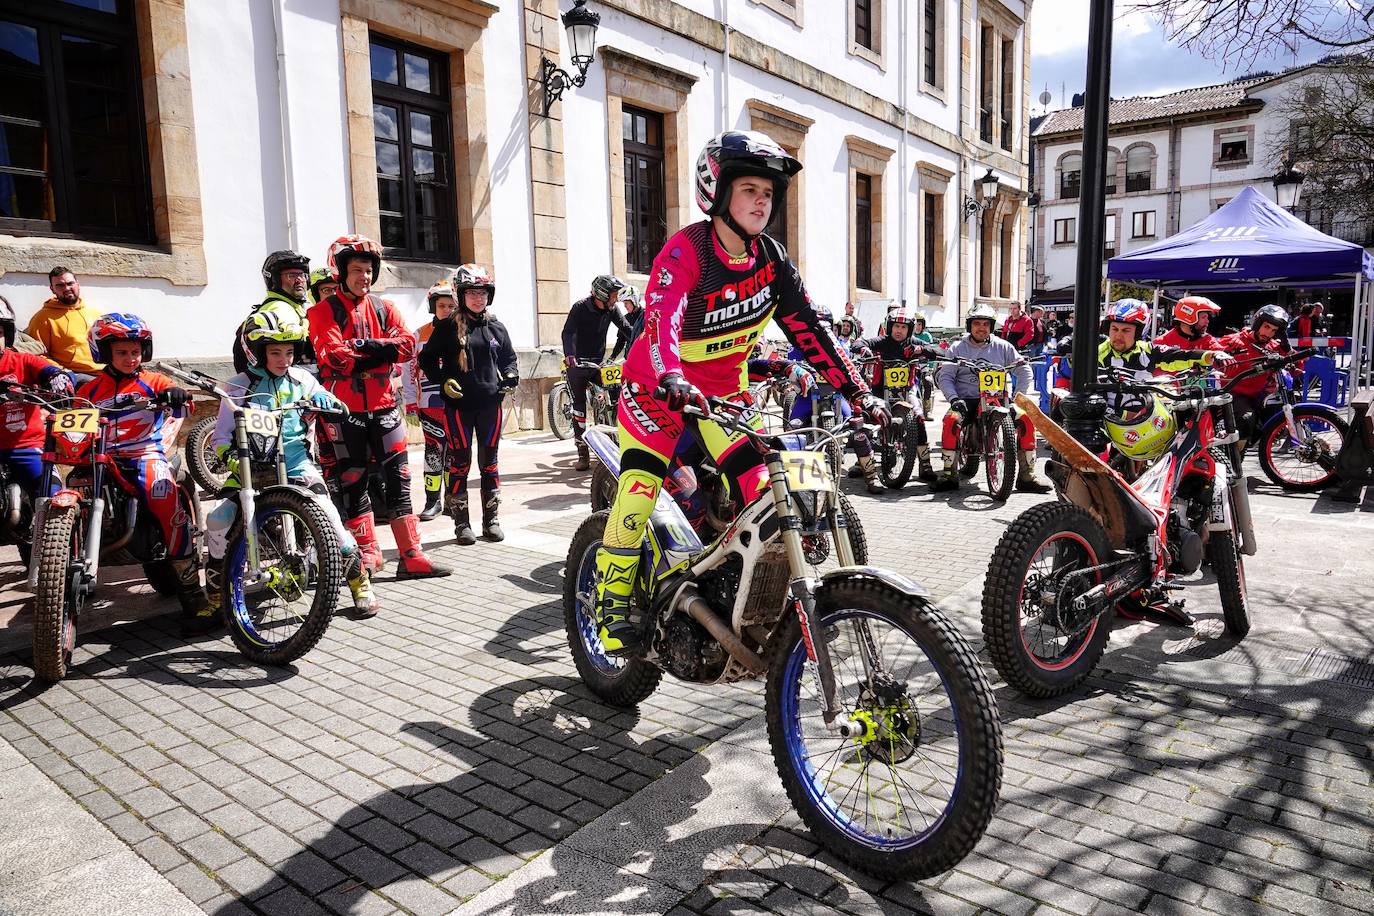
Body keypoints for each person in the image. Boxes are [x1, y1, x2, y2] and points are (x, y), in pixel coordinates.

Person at [593, 130, 887, 654]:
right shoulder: (687, 251)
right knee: (640, 490)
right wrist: (672, 377)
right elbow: (661, 324)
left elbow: (810, 332)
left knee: (764, 492)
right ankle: (611, 603)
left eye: (768, 193)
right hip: (657, 391)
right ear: (718, 191)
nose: (761, 201)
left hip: (725, 397)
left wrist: (859, 392)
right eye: (750, 188)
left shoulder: (771, 260)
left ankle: (749, 595)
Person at [200, 312, 378, 630]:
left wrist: (328, 401)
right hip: (248, 470)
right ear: (256, 351)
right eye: (275, 352)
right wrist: (230, 460)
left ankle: (359, 581)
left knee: (331, 519)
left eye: (290, 352)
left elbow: (322, 395)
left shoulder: (302, 380)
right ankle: (215, 595)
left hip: (296, 465)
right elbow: (220, 437)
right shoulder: (237, 387)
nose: (284, 359)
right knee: (216, 520)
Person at [307, 234, 450, 579]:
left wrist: (364, 345)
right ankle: (369, 554)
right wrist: (381, 351)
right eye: (357, 270)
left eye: (369, 271)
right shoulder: (322, 311)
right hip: (344, 413)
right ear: (340, 272)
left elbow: (406, 348)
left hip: (386, 407)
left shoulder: (385, 308)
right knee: (354, 482)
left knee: (399, 480)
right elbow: (334, 357)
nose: (365, 277)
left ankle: (412, 555)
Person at [77, 314, 206, 625]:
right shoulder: (91, 389)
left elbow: (182, 404)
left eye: (135, 352)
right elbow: (75, 419)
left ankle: (194, 597)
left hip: (144, 452)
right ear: (103, 352)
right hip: (101, 455)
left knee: (161, 491)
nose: (130, 358)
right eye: (121, 352)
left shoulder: (153, 381)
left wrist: (177, 395)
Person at [417, 264, 518, 545]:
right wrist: (443, 379)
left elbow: (509, 358)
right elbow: (425, 360)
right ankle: (462, 524)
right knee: (460, 464)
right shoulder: (448, 327)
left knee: (490, 464)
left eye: (483, 293)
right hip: (459, 408)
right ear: (462, 295)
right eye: (472, 293)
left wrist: (511, 375)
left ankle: (491, 520)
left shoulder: (496, 326)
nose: (478, 298)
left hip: (490, 407)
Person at [933, 304, 1048, 493]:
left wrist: (1017, 397)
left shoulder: (1003, 346)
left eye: (986, 324)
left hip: (999, 400)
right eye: (977, 323)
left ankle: (1027, 476)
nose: (981, 328)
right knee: (951, 420)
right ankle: (948, 475)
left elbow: (1024, 370)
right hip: (966, 400)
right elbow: (945, 376)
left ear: (991, 327)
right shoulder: (957, 347)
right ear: (969, 326)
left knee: (1026, 420)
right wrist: (954, 399)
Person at [785, 305, 883, 493]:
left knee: (858, 428)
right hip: (807, 397)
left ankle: (871, 476)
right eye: (816, 323)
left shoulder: (840, 346)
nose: (819, 328)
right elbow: (788, 362)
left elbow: (852, 358)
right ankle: (794, 480)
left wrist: (862, 355)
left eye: (825, 324)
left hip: (838, 396)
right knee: (791, 429)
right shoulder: (799, 345)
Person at [0, 297, 74, 498]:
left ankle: (49, 528)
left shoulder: (22, 360)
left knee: (53, 493)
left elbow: (46, 369)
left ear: (6, 335)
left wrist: (57, 377)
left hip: (27, 446)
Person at [854, 307, 937, 481]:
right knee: (867, 416)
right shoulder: (882, 341)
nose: (899, 331)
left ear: (909, 329)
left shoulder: (914, 342)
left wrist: (921, 351)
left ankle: (925, 463)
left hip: (907, 388)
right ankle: (861, 461)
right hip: (879, 388)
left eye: (903, 327)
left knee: (919, 416)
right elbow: (858, 343)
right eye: (896, 326)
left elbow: (938, 350)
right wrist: (864, 350)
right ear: (890, 326)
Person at [560, 274, 633, 470]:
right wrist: (570, 355)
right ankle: (582, 452)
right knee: (579, 406)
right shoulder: (580, 307)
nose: (616, 299)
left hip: (599, 363)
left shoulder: (612, 309)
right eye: (613, 295)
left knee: (618, 393)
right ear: (601, 294)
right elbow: (567, 332)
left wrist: (642, 342)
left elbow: (626, 329)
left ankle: (618, 437)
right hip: (579, 364)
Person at [403, 279, 455, 521]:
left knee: (455, 454)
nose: (447, 310)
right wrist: (410, 402)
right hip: (430, 403)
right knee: (433, 452)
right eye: (442, 305)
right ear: (433, 306)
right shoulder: (420, 335)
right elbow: (408, 369)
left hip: (457, 403)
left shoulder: (463, 330)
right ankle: (432, 501)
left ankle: (453, 500)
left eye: (451, 306)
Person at [1217, 304, 1292, 454]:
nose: (1269, 333)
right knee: (1246, 419)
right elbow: (1211, 353)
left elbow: (1296, 365)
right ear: (1257, 324)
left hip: (1260, 397)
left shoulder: (1274, 346)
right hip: (1234, 395)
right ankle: (1231, 460)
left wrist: (1285, 345)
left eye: (1274, 330)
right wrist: (1226, 350)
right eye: (1266, 326)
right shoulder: (1234, 340)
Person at [234, 251, 314, 374]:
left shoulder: (292, 307)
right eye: (291, 275)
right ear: (275, 279)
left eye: (302, 274)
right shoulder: (280, 308)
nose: (299, 280)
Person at [26, 267, 104, 378]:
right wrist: (63, 372)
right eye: (60, 285)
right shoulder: (43, 318)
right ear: (52, 289)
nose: (66, 288)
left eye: (70, 283)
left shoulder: (94, 313)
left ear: (78, 284)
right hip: (77, 375)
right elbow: (38, 354)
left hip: (105, 370)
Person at [1154, 295, 1221, 350]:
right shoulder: (1162, 342)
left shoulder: (1208, 340)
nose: (1207, 321)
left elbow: (1224, 360)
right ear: (1190, 317)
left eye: (1207, 317)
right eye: (1203, 317)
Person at [610, 285, 644, 360]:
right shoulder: (625, 318)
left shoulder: (646, 316)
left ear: (634, 301)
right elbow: (620, 340)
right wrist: (612, 357)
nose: (624, 306)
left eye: (626, 303)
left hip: (643, 360)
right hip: (629, 360)